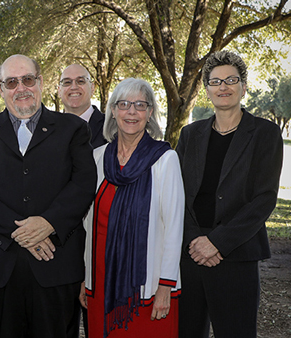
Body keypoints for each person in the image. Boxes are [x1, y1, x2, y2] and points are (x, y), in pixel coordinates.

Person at [0, 54, 97, 338]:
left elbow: (83, 184)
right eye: (11, 82)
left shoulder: (73, 129)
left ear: (41, 82)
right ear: (0, 89)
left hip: (57, 266)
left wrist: (48, 223)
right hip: (0, 270)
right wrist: (19, 232)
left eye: (27, 79)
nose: (20, 88)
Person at [177, 51, 283, 338]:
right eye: (216, 81)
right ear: (207, 90)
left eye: (231, 80)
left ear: (244, 87)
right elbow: (176, 195)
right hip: (190, 256)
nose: (223, 86)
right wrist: (195, 241)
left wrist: (217, 242)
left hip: (237, 255)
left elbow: (264, 199)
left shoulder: (265, 134)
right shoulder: (190, 134)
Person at [81, 78, 184, 338]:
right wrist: (85, 276)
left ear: (149, 112)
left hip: (146, 283)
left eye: (140, 105)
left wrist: (165, 286)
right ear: (113, 111)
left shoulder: (164, 159)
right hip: (101, 279)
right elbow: (86, 223)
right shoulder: (98, 158)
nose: (131, 112)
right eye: (124, 104)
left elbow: (174, 227)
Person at [58, 64, 107, 148]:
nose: (74, 87)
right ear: (59, 91)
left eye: (80, 81)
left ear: (92, 88)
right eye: (67, 82)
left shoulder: (112, 127)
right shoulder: (47, 130)